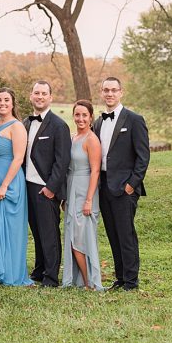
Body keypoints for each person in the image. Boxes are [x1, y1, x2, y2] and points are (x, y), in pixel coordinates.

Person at [95, 77, 150, 291]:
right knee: (113, 234)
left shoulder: (134, 119)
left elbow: (143, 157)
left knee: (126, 234)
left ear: (121, 92)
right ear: (102, 93)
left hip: (124, 189)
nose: (109, 94)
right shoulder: (99, 122)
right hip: (104, 187)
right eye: (106, 90)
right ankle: (119, 278)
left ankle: (131, 281)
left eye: (113, 90)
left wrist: (131, 185)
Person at [0, 88, 32, 286]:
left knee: (8, 228)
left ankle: (9, 273)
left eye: (6, 100)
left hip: (9, 182)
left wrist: (4, 185)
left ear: (13, 103)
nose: (2, 103)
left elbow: (19, 158)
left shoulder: (17, 126)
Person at [24, 80, 71, 287]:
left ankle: (51, 277)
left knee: (49, 232)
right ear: (31, 96)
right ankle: (39, 270)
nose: (40, 97)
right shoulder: (25, 123)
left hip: (46, 188)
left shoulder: (59, 125)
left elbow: (62, 161)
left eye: (44, 93)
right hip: (27, 186)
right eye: (37, 93)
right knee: (36, 230)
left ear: (50, 97)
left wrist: (51, 188)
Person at [63, 100, 103, 290]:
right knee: (72, 235)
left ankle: (90, 282)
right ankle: (82, 281)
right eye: (77, 115)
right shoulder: (73, 138)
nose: (80, 119)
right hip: (72, 189)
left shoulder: (91, 139)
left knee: (80, 239)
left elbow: (95, 171)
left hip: (85, 190)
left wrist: (88, 200)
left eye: (84, 115)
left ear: (91, 117)